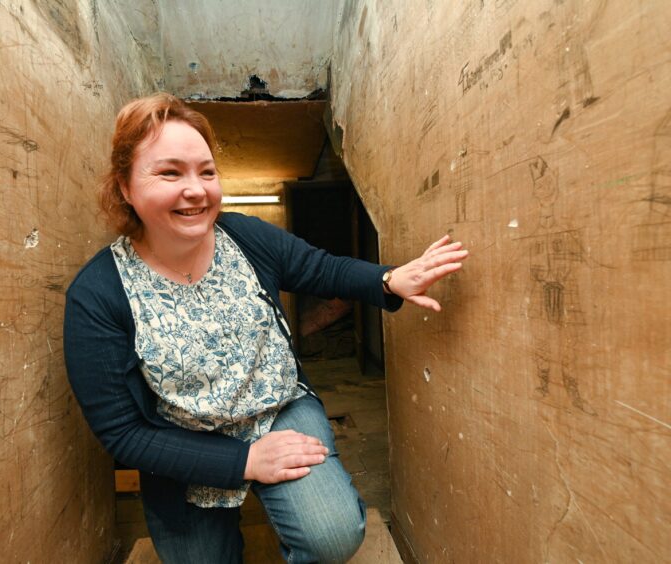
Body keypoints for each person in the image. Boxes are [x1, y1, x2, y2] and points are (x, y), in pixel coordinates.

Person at [63, 92, 469, 563]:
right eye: (169, 172)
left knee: (332, 536)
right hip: (180, 444)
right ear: (125, 187)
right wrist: (246, 462)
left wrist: (388, 280)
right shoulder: (98, 293)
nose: (195, 189)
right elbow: (124, 433)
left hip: (277, 407)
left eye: (206, 171)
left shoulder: (244, 236)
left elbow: (320, 269)